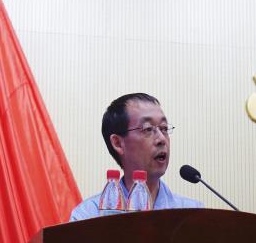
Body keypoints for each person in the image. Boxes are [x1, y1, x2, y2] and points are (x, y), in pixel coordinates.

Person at [70, 93, 203, 221]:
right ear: (118, 143)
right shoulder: (87, 216)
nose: (162, 139)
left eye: (164, 128)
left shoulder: (193, 215)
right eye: (148, 129)